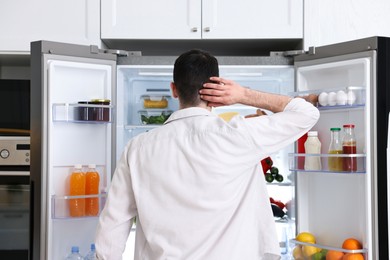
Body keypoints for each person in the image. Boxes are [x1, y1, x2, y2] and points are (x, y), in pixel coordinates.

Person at [95, 49, 320, 260]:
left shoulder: (137, 149)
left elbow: (111, 229)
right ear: (218, 89)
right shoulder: (239, 136)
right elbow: (306, 113)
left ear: (174, 89)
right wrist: (243, 94)